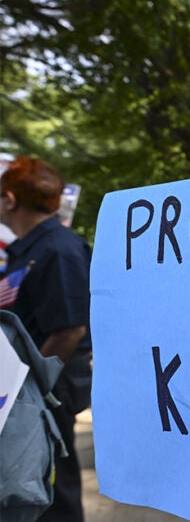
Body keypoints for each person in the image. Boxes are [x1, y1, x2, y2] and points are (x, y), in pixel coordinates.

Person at [0, 155, 93, 522]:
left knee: (52, 488)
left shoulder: (58, 248)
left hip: (45, 391)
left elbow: (70, 329)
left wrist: (31, 386)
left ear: (9, 200)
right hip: (24, 390)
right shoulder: (28, 248)